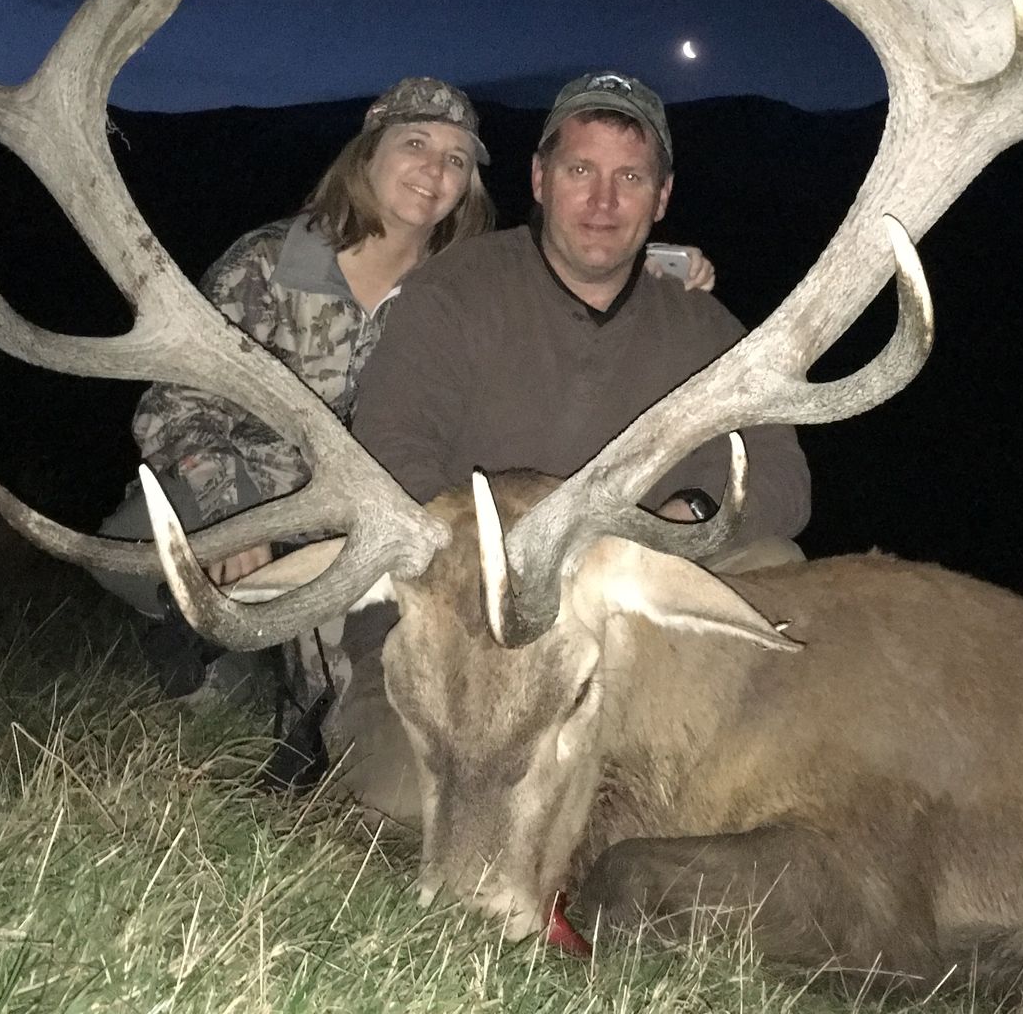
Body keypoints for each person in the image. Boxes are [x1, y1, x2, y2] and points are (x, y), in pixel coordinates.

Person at [92, 76, 715, 777]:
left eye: (455, 159)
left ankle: (274, 674)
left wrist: (665, 265)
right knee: (131, 545)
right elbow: (177, 405)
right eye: (415, 144)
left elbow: (567, 260)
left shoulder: (456, 284)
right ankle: (210, 654)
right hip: (248, 493)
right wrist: (242, 508)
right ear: (368, 152)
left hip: (365, 522)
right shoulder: (266, 264)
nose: (434, 171)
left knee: (336, 680)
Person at [333, 70, 812, 817]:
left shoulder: (706, 328)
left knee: (776, 567)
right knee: (405, 798)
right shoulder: (454, 290)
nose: (602, 200)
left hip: (622, 616)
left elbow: (784, 480)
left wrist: (689, 511)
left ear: (661, 199)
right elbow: (391, 455)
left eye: (630, 178)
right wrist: (505, 558)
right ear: (540, 178)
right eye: (580, 170)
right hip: (463, 613)